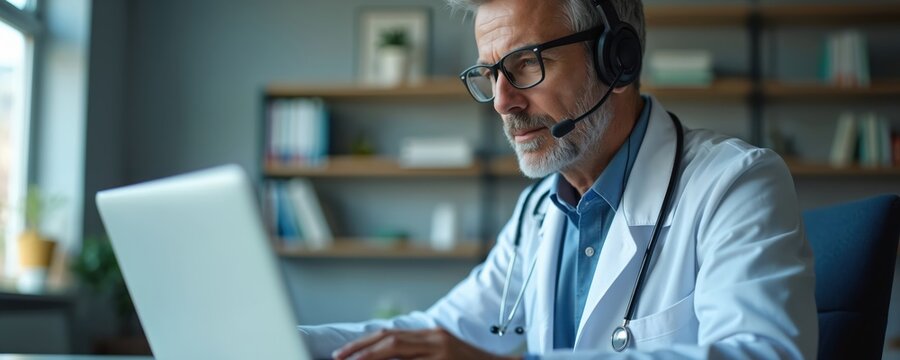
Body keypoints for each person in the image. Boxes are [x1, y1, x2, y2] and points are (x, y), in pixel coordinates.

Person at [299, 0, 818, 358]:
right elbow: (434, 336)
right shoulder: (538, 212)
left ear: (618, 61)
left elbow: (762, 353)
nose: (503, 101)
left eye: (526, 64)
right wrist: (281, 343)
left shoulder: (737, 185)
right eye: (490, 73)